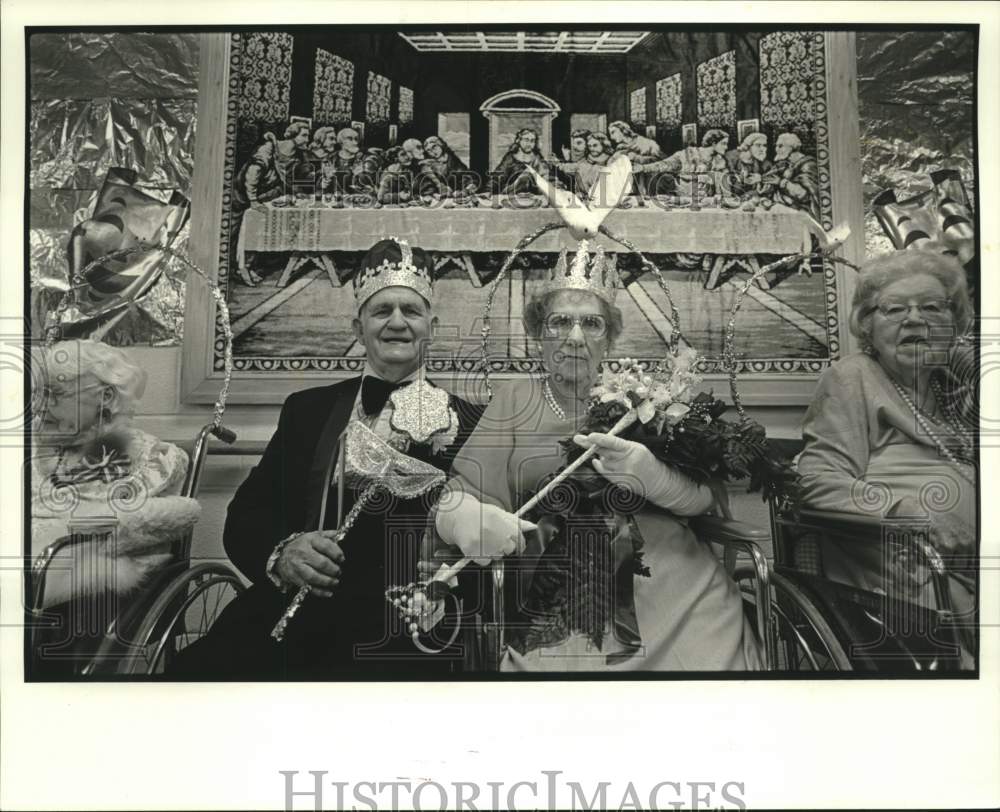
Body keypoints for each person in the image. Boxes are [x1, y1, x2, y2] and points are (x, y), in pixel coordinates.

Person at [426, 242, 763, 671]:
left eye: (592, 323)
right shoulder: (514, 399)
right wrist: (466, 517)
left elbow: (705, 497)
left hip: (675, 575)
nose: (575, 338)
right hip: (563, 587)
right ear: (538, 334)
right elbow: (463, 490)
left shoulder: (649, 397)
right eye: (560, 322)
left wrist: (654, 476)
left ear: (611, 337)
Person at [169, 238, 482, 678]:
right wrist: (282, 554)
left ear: (432, 327)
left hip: (401, 625)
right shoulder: (306, 409)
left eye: (410, 311)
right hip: (293, 612)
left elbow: (480, 540)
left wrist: (439, 587)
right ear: (358, 330)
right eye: (381, 311)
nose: (396, 322)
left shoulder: (469, 421)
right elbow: (249, 513)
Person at [797, 249, 976, 664]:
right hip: (904, 569)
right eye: (894, 309)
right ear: (868, 326)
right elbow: (817, 482)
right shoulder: (852, 377)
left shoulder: (955, 387)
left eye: (932, 307)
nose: (915, 319)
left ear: (954, 322)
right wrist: (911, 511)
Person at [31, 340, 199, 675]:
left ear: (106, 397)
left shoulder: (153, 457)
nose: (43, 404)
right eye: (41, 393)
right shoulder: (36, 449)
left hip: (91, 564)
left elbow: (117, 519)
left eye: (57, 393)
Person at [231, 135, 283, 286]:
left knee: (254, 233)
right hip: (241, 202)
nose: (269, 151)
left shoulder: (269, 159)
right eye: (267, 147)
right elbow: (251, 179)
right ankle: (240, 269)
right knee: (238, 236)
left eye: (271, 148)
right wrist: (253, 200)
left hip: (253, 201)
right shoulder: (259, 161)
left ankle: (248, 266)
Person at [770, 132, 820, 219]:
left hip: (806, 215)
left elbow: (804, 196)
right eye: (776, 146)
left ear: (792, 147)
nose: (776, 149)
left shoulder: (808, 165)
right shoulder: (790, 165)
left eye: (780, 146)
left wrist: (781, 182)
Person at [490, 128, 551, 195]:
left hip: (532, 195)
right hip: (511, 193)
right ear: (519, 140)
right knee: (526, 176)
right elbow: (497, 177)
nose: (529, 144)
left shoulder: (537, 158)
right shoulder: (510, 157)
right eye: (526, 140)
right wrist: (488, 190)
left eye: (532, 141)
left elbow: (546, 176)